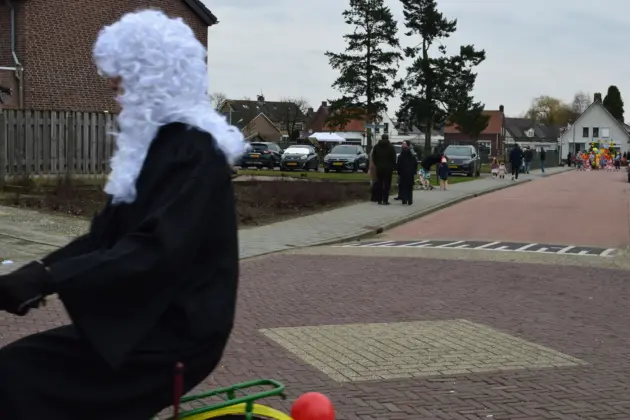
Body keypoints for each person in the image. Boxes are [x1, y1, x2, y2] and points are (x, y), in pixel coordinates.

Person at [0, 10, 247, 420]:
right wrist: (35, 274)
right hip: (144, 324)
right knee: (16, 371)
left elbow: (156, 248)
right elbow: (104, 238)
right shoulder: (156, 149)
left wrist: (49, 278)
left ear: (156, 77)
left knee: (17, 379)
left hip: (176, 334)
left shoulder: (194, 151)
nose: (113, 87)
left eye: (122, 77)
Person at [371, 134, 396, 204]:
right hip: (388, 169)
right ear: (387, 138)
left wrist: (377, 164)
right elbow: (394, 158)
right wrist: (393, 166)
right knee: (387, 184)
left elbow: (374, 157)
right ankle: (385, 200)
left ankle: (379, 200)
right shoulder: (391, 147)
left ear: (381, 138)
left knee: (379, 183)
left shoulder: (376, 146)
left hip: (379, 168)